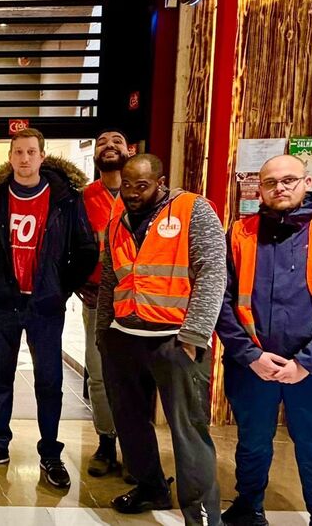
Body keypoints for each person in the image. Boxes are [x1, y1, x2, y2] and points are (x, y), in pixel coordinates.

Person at [217, 155, 312, 526]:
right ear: (260, 189)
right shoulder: (238, 234)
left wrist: (306, 363)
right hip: (252, 366)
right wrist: (250, 355)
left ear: (307, 182)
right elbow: (221, 300)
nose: (279, 188)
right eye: (270, 182)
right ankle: (247, 507)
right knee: (251, 443)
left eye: (289, 180)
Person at [0, 128, 98, 487]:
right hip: (4, 305)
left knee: (49, 381)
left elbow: (86, 249)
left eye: (31, 152)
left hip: (45, 306)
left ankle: (50, 453)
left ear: (41, 156)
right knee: (0, 379)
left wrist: (59, 287)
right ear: (10, 157)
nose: (24, 158)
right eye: (18, 152)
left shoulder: (65, 199)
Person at [95, 154, 225, 524]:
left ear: (160, 182)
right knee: (130, 422)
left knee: (188, 431)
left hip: (175, 340)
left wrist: (196, 334)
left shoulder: (192, 210)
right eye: (127, 185)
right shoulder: (117, 220)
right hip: (124, 338)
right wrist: (104, 332)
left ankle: (200, 514)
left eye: (142, 186)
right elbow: (110, 279)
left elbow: (213, 272)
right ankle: (150, 487)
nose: (133, 193)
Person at [75, 129, 130, 477]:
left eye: (117, 142)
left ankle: (137, 448)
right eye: (101, 143)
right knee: (98, 374)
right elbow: (74, 246)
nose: (109, 147)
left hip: (141, 304)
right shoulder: (84, 198)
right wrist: (78, 280)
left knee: (133, 377)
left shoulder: (148, 192)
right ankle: (106, 442)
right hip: (97, 302)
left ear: (131, 151)